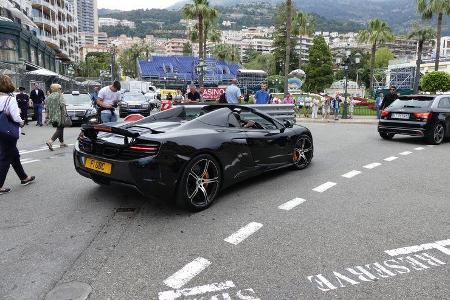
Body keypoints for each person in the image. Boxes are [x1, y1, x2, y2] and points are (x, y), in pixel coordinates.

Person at [0, 75, 35, 195]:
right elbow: (16, 117)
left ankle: (24, 177)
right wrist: (21, 122)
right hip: (8, 132)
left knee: (13, 155)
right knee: (5, 157)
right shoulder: (10, 99)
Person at [45, 84, 68, 151]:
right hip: (60, 115)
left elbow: (47, 107)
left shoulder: (49, 96)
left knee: (60, 128)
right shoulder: (59, 95)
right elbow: (62, 104)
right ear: (57, 89)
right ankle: (50, 141)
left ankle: (62, 143)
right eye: (60, 88)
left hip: (53, 115)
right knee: (60, 129)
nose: (61, 89)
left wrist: (47, 116)